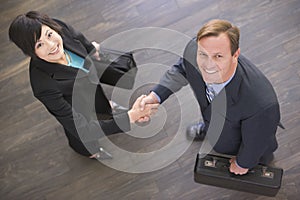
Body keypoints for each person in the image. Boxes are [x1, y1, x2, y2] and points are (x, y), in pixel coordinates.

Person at [139, 19, 282, 175]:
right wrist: (155, 96)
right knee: (216, 123)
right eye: (203, 55)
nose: (208, 65)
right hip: (220, 120)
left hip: (250, 137)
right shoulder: (195, 49)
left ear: (235, 55)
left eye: (218, 56)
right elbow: (182, 69)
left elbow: (256, 141)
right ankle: (210, 129)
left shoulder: (261, 104)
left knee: (258, 152)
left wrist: (243, 163)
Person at [8, 11, 158, 159]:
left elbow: (77, 36)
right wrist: (130, 117)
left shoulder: (57, 26)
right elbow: (82, 129)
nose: (52, 45)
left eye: (49, 35)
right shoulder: (44, 87)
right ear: (30, 52)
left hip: (89, 83)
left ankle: (108, 107)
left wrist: (92, 51)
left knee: (99, 99)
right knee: (81, 135)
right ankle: (90, 152)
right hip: (76, 103)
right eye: (39, 44)